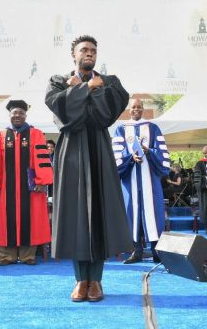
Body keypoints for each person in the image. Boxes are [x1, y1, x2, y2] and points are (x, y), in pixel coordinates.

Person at [45, 34, 132, 303]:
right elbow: (65, 117)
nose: (89, 53)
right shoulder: (57, 82)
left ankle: (96, 280)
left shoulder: (110, 83)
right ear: (74, 55)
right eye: (84, 50)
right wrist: (84, 89)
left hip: (98, 152)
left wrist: (88, 89)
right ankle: (80, 280)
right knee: (75, 216)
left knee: (99, 215)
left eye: (93, 50)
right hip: (71, 153)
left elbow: (104, 116)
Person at [0, 100, 53, 266]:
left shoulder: (36, 134)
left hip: (30, 187)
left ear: (25, 115)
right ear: (9, 115)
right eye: (14, 113)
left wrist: (42, 181)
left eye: (21, 113)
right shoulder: (0, 136)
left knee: (31, 219)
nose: (17, 115)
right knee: (4, 220)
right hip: (6, 187)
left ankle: (27, 256)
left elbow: (42, 159)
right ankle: (6, 256)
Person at [113, 98, 171, 264]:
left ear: (143, 109)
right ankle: (136, 251)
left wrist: (149, 152)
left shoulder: (153, 128)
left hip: (150, 179)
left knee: (153, 213)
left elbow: (162, 152)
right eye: (133, 107)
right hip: (130, 179)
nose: (136, 109)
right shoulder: (121, 129)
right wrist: (130, 157)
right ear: (129, 110)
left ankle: (156, 251)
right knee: (132, 213)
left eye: (139, 107)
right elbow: (117, 153)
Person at [193, 147, 207, 234]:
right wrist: (206, 184)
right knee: (205, 208)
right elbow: (197, 178)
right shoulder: (199, 163)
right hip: (204, 190)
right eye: (205, 153)